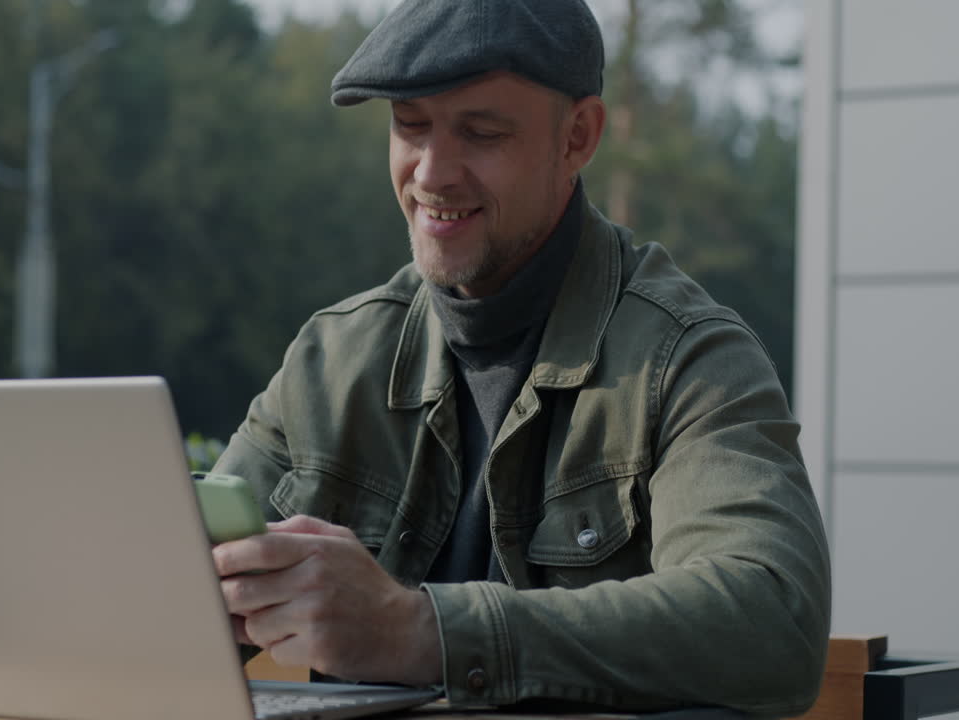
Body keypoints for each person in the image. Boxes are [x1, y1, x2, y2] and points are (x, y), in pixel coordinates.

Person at [208, 0, 830, 714]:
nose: (432, 173)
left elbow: (772, 617)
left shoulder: (688, 361)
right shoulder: (332, 361)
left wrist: (418, 631)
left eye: (482, 132)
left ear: (578, 137)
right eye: (410, 125)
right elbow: (176, 596)